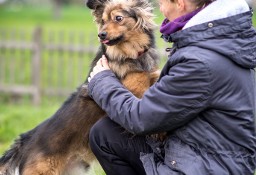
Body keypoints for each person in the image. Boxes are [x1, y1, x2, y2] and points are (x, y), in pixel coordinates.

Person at [87, 0, 256, 174]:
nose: (160, 9)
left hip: (206, 167)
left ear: (180, 3)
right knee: (105, 132)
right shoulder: (215, 41)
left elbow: (141, 118)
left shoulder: (200, 62)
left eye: (162, 3)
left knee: (104, 135)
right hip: (208, 156)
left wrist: (101, 80)